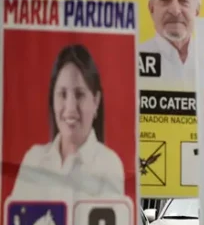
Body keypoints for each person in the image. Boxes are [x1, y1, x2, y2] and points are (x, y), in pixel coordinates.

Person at [9, 44, 124, 201]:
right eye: (62, 94)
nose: (70, 108)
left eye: (79, 94)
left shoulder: (108, 165)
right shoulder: (33, 159)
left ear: (96, 101)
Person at [137, 0, 202, 88]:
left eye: (183, 0)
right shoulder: (133, 60)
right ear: (151, 8)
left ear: (196, 10)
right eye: (165, 0)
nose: (175, 11)